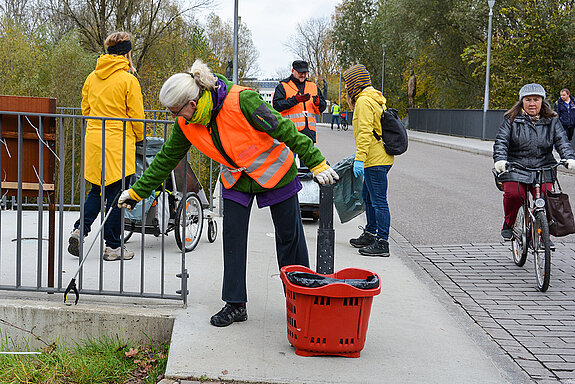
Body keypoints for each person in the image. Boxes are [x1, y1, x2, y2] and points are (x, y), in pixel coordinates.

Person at [117, 60, 339, 327]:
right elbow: (165, 159)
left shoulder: (242, 101)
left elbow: (284, 129)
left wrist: (315, 160)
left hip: (275, 173)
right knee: (232, 240)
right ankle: (235, 304)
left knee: (290, 239)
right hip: (236, 179)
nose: (176, 117)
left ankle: (301, 302)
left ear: (192, 103)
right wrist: (136, 192)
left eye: (177, 111)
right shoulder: (186, 123)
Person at [68, 31, 144, 261]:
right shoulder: (128, 79)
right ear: (127, 53)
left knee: (96, 191)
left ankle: (80, 229)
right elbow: (136, 116)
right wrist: (140, 138)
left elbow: (86, 109)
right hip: (117, 144)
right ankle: (113, 247)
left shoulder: (92, 77)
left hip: (94, 140)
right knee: (117, 196)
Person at [493, 83, 575, 240]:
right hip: (516, 166)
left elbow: (562, 141)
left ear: (542, 101)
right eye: (528, 99)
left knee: (546, 198)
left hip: (544, 166)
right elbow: (501, 142)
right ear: (522, 101)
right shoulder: (511, 119)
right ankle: (509, 223)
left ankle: (545, 234)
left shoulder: (552, 121)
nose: (532, 103)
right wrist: (501, 160)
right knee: (514, 195)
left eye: (536, 99)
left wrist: (569, 157)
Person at [343, 64, 394, 257]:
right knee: (368, 197)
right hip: (379, 156)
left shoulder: (364, 101)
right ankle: (371, 232)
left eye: (348, 83)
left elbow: (364, 133)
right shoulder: (374, 98)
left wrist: (360, 159)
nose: (347, 88)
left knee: (379, 201)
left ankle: (382, 242)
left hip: (374, 159)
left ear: (355, 82)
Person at [272, 60, 326, 144]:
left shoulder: (313, 86)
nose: (303, 75)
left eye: (305, 72)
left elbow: (322, 108)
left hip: (309, 134)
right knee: (289, 157)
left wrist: (318, 103)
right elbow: (277, 106)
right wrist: (295, 100)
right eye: (300, 72)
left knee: (309, 157)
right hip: (290, 133)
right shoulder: (283, 86)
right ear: (293, 71)